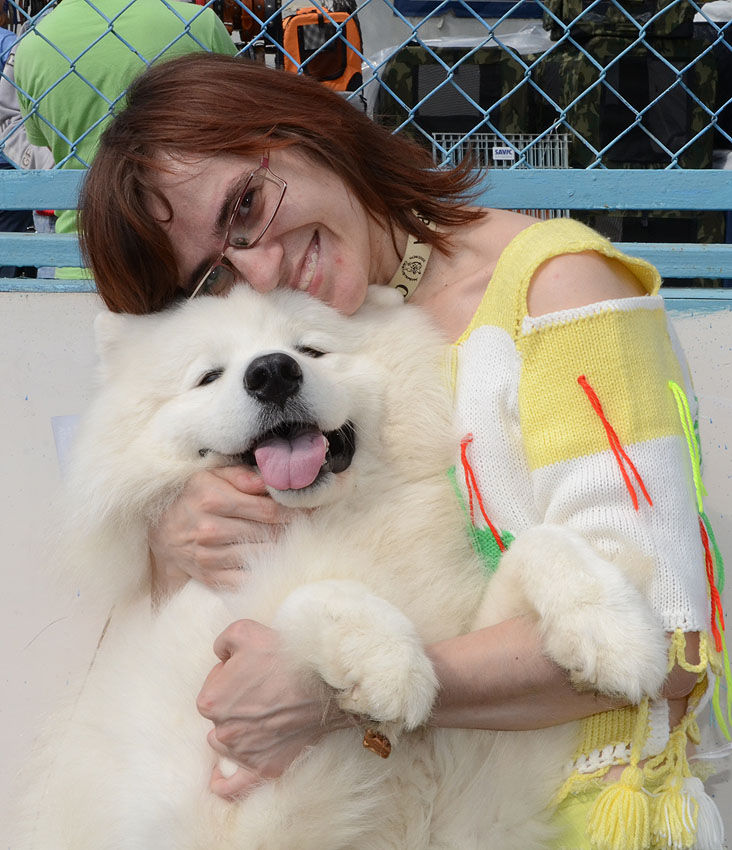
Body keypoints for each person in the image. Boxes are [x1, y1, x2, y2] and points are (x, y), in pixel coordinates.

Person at [78, 52, 726, 850]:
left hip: (587, 812)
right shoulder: (320, 351)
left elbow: (672, 644)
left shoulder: (560, 293)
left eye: (246, 204)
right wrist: (169, 538)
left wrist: (334, 686)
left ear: (306, 130)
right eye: (213, 276)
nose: (263, 268)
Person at [13, 0, 237, 279]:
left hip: (82, 255)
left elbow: (49, 144)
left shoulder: (33, 45)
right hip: (190, 258)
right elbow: (240, 124)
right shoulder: (199, 23)